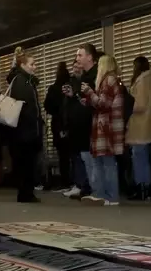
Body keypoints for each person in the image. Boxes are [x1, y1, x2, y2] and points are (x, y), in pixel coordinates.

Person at [81, 53, 125, 206]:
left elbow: (103, 104)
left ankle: (110, 196)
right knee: (103, 161)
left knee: (107, 162)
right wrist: (88, 100)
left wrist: (89, 92)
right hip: (107, 127)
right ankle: (101, 194)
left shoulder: (108, 80)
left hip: (107, 127)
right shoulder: (112, 80)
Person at [4, 47, 43, 204]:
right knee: (26, 163)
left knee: (26, 163)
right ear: (23, 65)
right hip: (25, 130)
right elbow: (25, 106)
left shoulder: (24, 81)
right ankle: (26, 193)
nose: (35, 67)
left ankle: (26, 192)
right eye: (32, 64)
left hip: (24, 129)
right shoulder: (22, 82)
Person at [61, 43, 100, 199]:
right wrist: (74, 95)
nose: (77, 59)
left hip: (92, 123)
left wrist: (84, 95)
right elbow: (83, 101)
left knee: (93, 160)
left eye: (80, 55)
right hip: (82, 124)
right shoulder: (83, 77)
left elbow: (94, 101)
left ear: (89, 57)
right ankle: (90, 188)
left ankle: (96, 189)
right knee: (86, 158)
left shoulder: (96, 76)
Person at [126, 56, 151, 201]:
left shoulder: (142, 81)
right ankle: (145, 187)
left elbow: (140, 104)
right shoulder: (149, 79)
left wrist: (127, 107)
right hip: (145, 122)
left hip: (140, 122)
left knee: (139, 157)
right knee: (142, 157)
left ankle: (142, 187)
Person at [43, 61, 73, 192]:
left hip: (58, 124)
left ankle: (65, 181)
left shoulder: (54, 88)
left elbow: (47, 106)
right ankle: (75, 181)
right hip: (72, 123)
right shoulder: (71, 85)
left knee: (63, 156)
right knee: (76, 154)